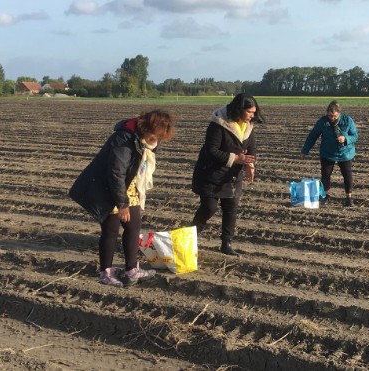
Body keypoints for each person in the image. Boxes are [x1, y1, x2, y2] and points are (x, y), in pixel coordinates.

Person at [69, 109, 176, 287]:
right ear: (147, 127)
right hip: (106, 188)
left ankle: (131, 270)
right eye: (154, 135)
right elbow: (115, 173)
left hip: (128, 186)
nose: (156, 140)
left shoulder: (147, 140)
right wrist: (122, 205)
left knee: (133, 227)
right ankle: (106, 272)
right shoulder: (124, 138)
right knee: (111, 230)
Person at [190, 93, 263, 257]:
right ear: (239, 109)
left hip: (232, 176)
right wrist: (236, 158)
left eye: (253, 112)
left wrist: (249, 164)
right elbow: (211, 151)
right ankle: (189, 239)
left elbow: (251, 147)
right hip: (210, 174)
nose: (252, 116)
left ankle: (226, 244)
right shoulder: (218, 124)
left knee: (231, 208)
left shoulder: (247, 126)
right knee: (209, 207)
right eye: (250, 112)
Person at [301, 100, 359, 207]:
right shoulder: (322, 122)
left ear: (339, 114)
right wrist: (305, 150)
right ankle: (326, 196)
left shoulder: (347, 120)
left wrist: (345, 138)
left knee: (347, 175)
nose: (332, 118)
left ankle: (349, 198)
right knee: (325, 176)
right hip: (327, 153)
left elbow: (355, 136)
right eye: (329, 116)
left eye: (334, 116)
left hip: (345, 153)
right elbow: (313, 135)